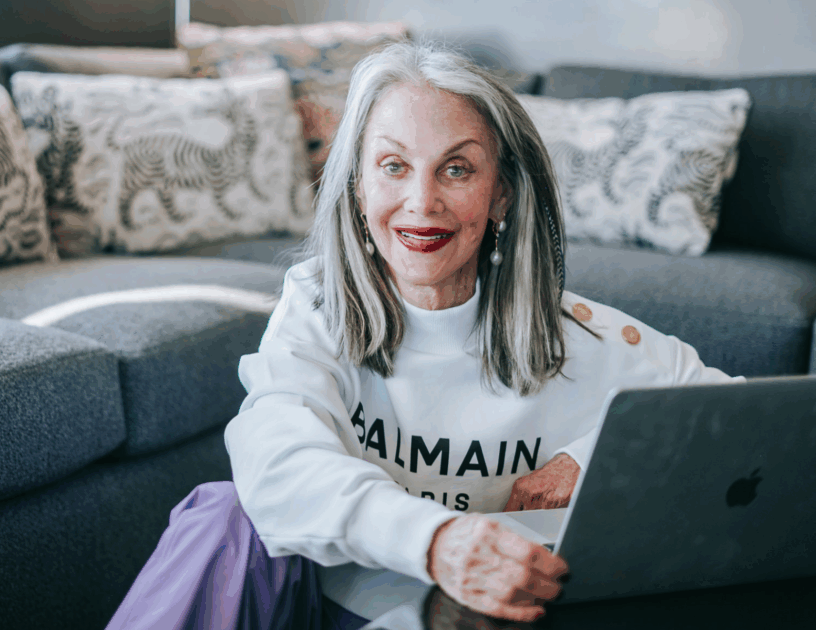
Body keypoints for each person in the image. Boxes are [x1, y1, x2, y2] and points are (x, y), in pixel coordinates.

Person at [106, 41, 737, 629]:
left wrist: (590, 459)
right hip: (316, 601)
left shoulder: (580, 338)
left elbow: (738, 419)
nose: (422, 200)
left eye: (456, 169)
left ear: (501, 195)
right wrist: (437, 541)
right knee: (223, 515)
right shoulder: (317, 306)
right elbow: (275, 461)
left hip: (456, 619)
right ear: (358, 187)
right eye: (393, 166)